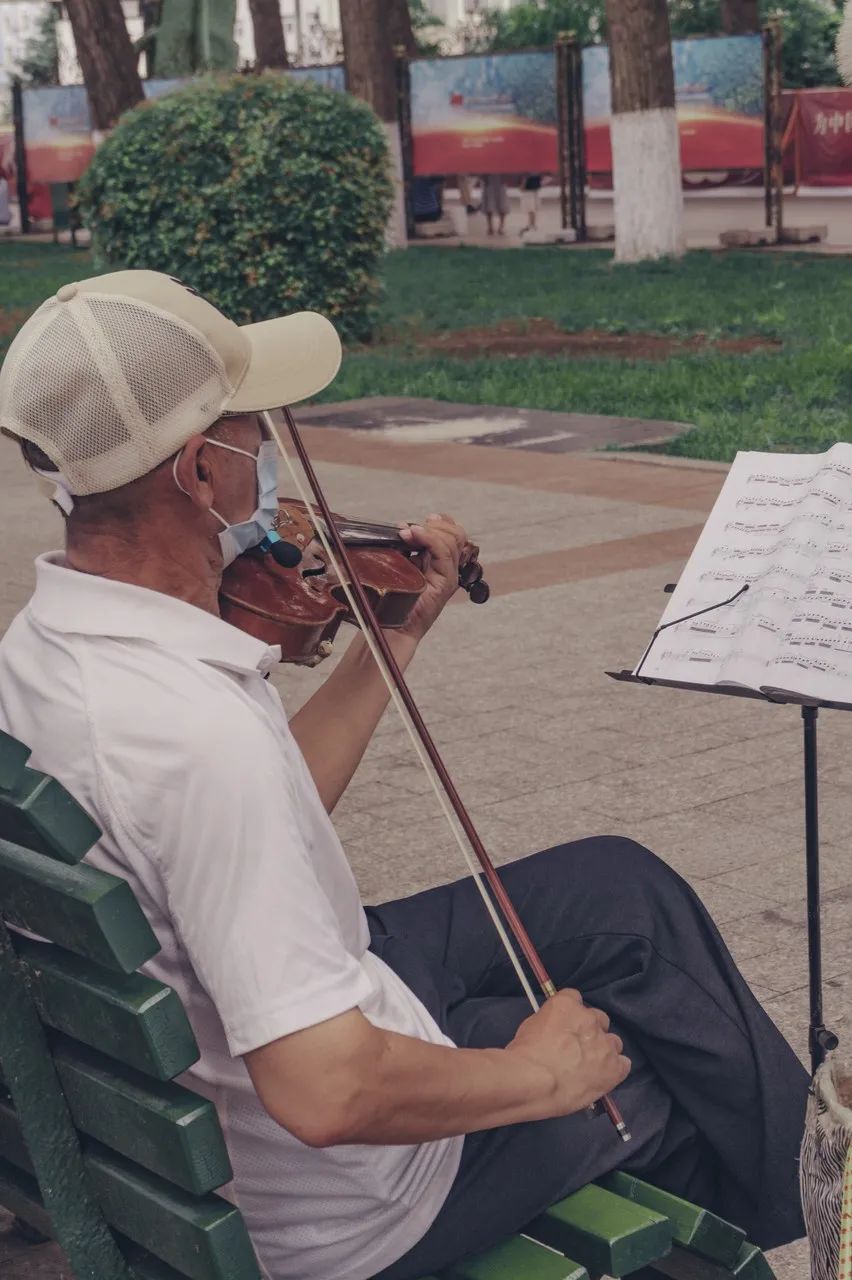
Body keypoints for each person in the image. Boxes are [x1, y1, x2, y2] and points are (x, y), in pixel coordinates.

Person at [0, 271, 808, 1280]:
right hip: (348, 1204)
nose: (274, 457)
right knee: (659, 1080)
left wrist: (391, 640)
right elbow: (328, 1087)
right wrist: (532, 1072)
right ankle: (793, 1200)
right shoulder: (195, 734)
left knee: (620, 888)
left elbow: (257, 814)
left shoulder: (45, 648)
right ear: (200, 476)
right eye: (258, 434)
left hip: (201, 1095)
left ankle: (802, 1175)